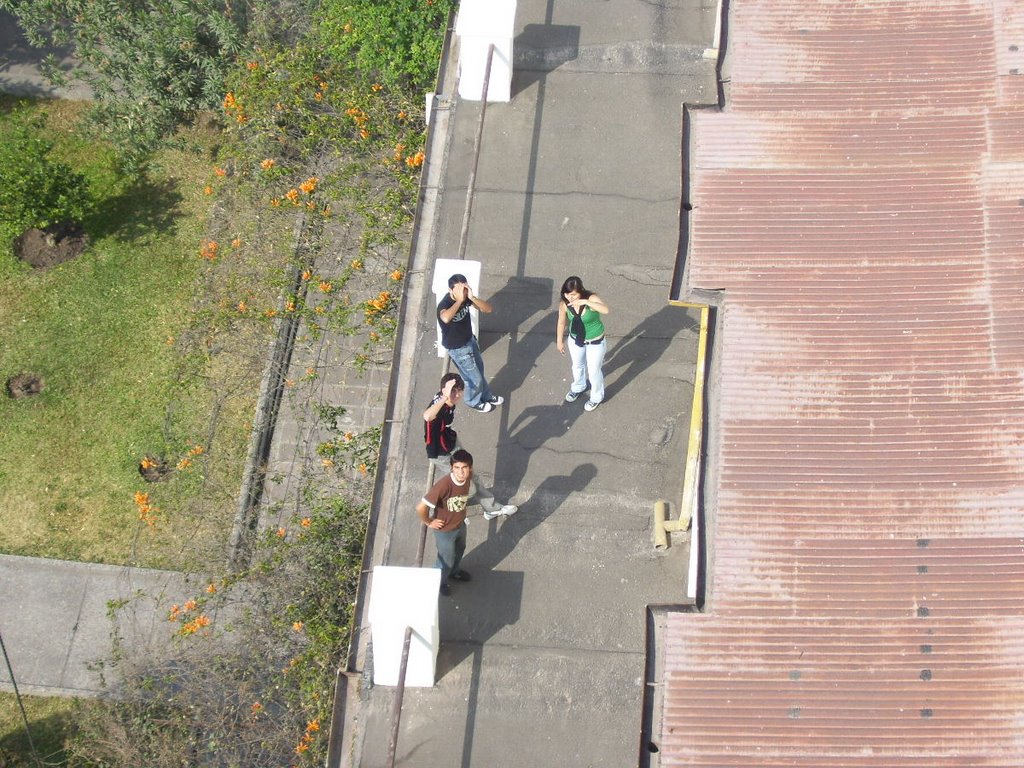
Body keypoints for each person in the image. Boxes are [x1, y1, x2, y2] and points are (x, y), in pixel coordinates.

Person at [423, 372, 517, 521]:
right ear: (444, 392)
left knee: (472, 478)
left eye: (459, 391)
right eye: (453, 392)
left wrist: (448, 396)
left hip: (451, 443)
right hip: (442, 454)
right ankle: (450, 507)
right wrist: (445, 397)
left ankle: (489, 508)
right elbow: (427, 416)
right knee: (467, 484)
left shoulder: (449, 402)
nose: (458, 395)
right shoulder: (439, 408)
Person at [437, 273, 504, 412]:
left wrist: (471, 297)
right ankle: (473, 401)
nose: (463, 292)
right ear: (450, 290)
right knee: (474, 378)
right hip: (458, 348)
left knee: (479, 370)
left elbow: (488, 309)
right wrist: (459, 301)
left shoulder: (467, 298)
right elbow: (445, 318)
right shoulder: (445, 304)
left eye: (465, 288)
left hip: (469, 340)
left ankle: (486, 396)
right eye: (459, 290)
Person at [415, 449, 478, 596]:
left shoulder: (468, 478)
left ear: (470, 468)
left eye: (464, 468)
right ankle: (439, 582)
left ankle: (455, 572)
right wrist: (429, 521)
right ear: (452, 468)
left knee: (460, 548)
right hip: (445, 531)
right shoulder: (444, 485)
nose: (460, 472)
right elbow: (421, 507)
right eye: (456, 468)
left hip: (460, 524)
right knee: (445, 560)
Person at [556, 276, 609, 412]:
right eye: (567, 294)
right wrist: (559, 341)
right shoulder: (564, 304)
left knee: (593, 371)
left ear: (581, 291)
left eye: (573, 294)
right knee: (577, 366)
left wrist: (585, 301)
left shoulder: (591, 299)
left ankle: (596, 397)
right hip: (575, 340)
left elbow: (605, 310)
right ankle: (578, 387)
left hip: (595, 342)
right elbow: (562, 322)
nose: (570, 297)